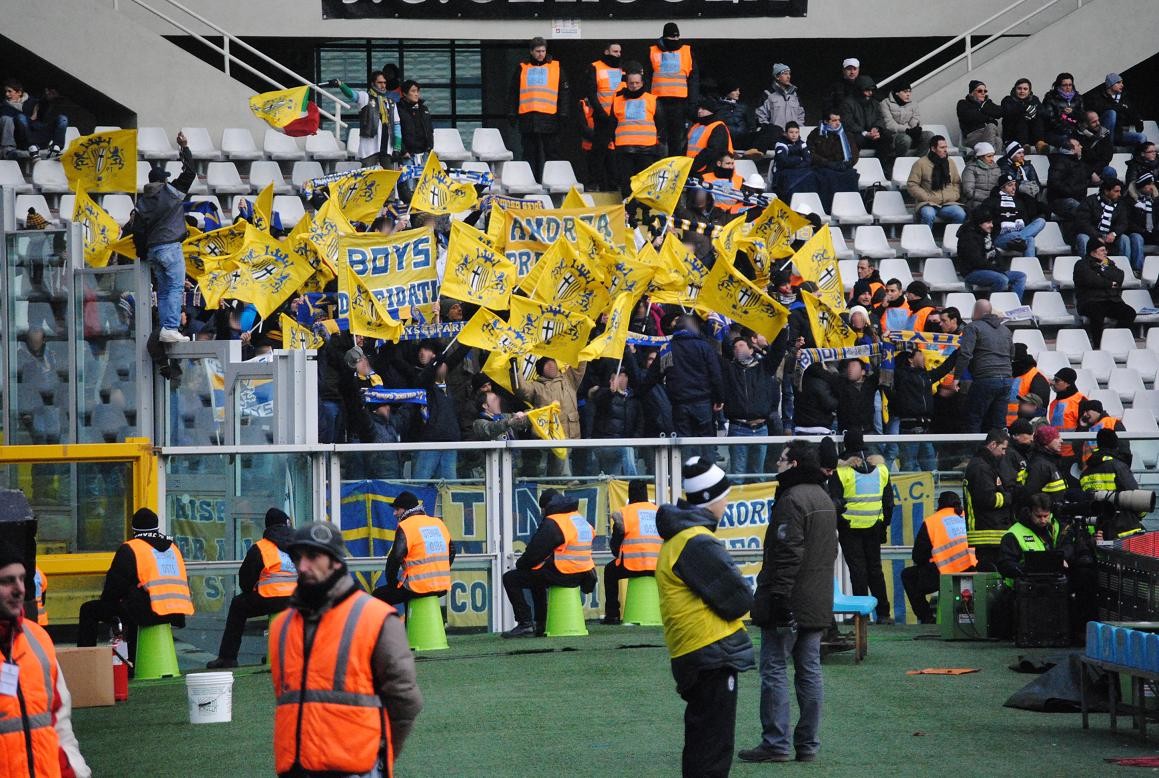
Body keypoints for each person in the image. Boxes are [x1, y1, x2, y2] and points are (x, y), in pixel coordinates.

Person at [270, 521, 422, 778]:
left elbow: (405, 700)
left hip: (355, 768)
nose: (302, 566)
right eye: (297, 558)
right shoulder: (282, 625)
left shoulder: (376, 618)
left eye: (313, 556)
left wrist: (382, 755)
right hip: (294, 768)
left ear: (336, 562)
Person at [656, 456, 754, 777]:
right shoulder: (696, 541)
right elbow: (737, 599)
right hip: (711, 651)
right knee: (713, 746)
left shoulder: (679, 539)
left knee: (701, 741)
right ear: (711, 499)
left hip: (693, 652)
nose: (727, 504)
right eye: (723, 497)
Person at [741, 439, 836, 764]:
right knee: (809, 672)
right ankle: (807, 745)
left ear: (793, 463)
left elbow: (788, 553)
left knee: (774, 669)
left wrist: (779, 598)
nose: (776, 464)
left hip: (790, 601)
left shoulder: (792, 499)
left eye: (781, 459)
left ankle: (776, 743)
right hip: (817, 599)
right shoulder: (823, 498)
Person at [0, 540, 92, 778]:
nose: (19, 589)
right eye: (7, 581)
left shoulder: (38, 639)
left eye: (21, 578)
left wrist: (77, 771)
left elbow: (59, 722)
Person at [77, 508, 193, 665]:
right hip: (176, 612)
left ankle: (85, 662)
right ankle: (136, 660)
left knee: (89, 609)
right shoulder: (173, 548)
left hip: (149, 613)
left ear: (134, 529)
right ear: (156, 527)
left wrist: (108, 602)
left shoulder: (131, 548)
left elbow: (114, 586)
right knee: (135, 602)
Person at [206, 508, 296, 669]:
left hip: (270, 599)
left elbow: (245, 581)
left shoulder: (261, 548)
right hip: (298, 601)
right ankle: (283, 654)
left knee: (238, 605)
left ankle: (228, 658)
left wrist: (253, 590)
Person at [501, 490, 596, 638]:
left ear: (546, 506)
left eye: (542, 508)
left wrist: (519, 565)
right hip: (583, 574)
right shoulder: (579, 519)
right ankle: (541, 622)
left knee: (511, 578)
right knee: (537, 573)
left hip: (564, 573)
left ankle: (525, 623)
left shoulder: (554, 522)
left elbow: (534, 553)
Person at [131, 132, 195, 343]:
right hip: (171, 247)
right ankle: (170, 327)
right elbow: (190, 172)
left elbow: (137, 232)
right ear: (164, 180)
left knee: (165, 290)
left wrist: (143, 254)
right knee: (175, 287)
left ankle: (166, 328)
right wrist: (184, 147)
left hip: (153, 251)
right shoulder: (173, 191)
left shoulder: (141, 203)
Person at [830, 429, 893, 623]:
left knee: (858, 571)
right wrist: (884, 525)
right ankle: (883, 613)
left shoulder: (841, 471)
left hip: (850, 527)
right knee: (875, 569)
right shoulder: (882, 469)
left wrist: (839, 525)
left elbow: (834, 502)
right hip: (875, 525)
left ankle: (862, 616)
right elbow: (889, 502)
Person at [901, 492, 975, 624]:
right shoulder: (968, 518)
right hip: (971, 570)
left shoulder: (932, 521)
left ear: (939, 504)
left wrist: (931, 560)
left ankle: (927, 618)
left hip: (943, 574)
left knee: (908, 575)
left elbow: (918, 555)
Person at [374, 491, 455, 609]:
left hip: (417, 588)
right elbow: (452, 551)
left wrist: (392, 583)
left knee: (377, 596)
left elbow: (395, 558)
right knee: (407, 592)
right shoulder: (438, 523)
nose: (394, 513)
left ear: (406, 509)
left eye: (397, 509)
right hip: (442, 586)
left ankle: (390, 627)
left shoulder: (406, 525)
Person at [509, 37, 570, 179]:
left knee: (552, 153)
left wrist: (564, 113)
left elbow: (564, 92)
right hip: (528, 117)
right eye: (537, 51)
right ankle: (530, 182)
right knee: (529, 154)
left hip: (550, 117)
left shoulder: (556, 67)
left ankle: (553, 180)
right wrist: (512, 112)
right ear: (531, 51)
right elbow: (513, 92)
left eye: (543, 51)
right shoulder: (523, 68)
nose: (541, 54)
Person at [602, 480, 661, 625]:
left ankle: (612, 615)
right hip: (659, 567)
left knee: (610, 571)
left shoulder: (624, 513)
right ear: (646, 493)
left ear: (630, 493)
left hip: (632, 566)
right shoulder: (658, 512)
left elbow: (616, 547)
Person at [516, 357, 586, 476]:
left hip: (571, 432)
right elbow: (521, 389)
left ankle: (562, 482)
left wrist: (584, 351)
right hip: (548, 435)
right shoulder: (536, 386)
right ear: (540, 369)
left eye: (554, 364)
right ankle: (566, 481)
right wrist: (515, 370)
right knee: (558, 459)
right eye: (548, 365)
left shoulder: (569, 379)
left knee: (562, 459)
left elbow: (580, 368)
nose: (552, 366)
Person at [953, 299, 1014, 433]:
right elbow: (1011, 354)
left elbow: (965, 354)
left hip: (985, 377)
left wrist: (956, 377)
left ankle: (974, 452)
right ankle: (999, 451)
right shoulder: (1006, 330)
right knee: (998, 423)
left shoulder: (973, 327)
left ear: (977, 311)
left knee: (973, 419)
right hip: (1006, 379)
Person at [1080, 428, 1146, 540]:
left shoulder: (1085, 473)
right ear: (1116, 445)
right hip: (1124, 529)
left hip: (1098, 530)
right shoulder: (1118, 466)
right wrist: (1140, 515)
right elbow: (1135, 495)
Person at [610, 61, 662, 198]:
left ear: (642, 83)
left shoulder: (652, 100)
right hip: (625, 149)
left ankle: (646, 213)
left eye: (637, 83)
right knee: (627, 183)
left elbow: (661, 124)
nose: (634, 86)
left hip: (647, 149)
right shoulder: (617, 100)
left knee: (646, 183)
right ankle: (630, 213)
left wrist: (659, 144)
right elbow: (612, 124)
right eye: (631, 83)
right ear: (626, 83)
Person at [963, 428, 1013, 568]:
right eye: (1002, 449)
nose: (1004, 453)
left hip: (991, 531)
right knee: (990, 574)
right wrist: (1008, 497)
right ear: (992, 445)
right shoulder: (981, 468)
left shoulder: (985, 464)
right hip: (988, 533)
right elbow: (988, 499)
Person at [333, 72, 403, 168]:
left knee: (388, 178)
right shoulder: (365, 97)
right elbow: (352, 95)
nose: (383, 85)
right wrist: (341, 85)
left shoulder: (390, 103)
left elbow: (396, 126)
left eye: (384, 83)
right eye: (380, 82)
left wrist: (397, 147)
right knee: (368, 180)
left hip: (387, 149)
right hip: (369, 149)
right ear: (373, 84)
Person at [1073, 242, 1136, 348]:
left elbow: (1119, 275)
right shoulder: (1081, 264)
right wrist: (1109, 283)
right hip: (1090, 300)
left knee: (1129, 313)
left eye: (1105, 250)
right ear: (1093, 252)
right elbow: (1091, 280)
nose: (1105, 252)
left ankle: (1116, 340)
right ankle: (1098, 344)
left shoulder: (1108, 263)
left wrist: (1101, 270)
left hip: (1111, 300)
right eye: (1102, 250)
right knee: (1097, 312)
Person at [648, 22, 697, 156]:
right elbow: (646, 77)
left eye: (677, 37)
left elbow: (693, 80)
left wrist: (692, 103)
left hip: (679, 103)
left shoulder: (686, 51)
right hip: (658, 102)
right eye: (672, 37)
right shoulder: (653, 51)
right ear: (665, 37)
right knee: (660, 137)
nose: (675, 40)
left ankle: (673, 168)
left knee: (676, 138)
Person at [996, 493, 1059, 588]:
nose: (1043, 520)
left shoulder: (1052, 527)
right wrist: (1029, 570)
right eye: (1038, 516)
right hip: (1023, 591)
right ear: (1029, 512)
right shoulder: (1014, 534)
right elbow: (1005, 565)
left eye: (1046, 516)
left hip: (1049, 587)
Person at [585, 42, 623, 190]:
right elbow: (591, 92)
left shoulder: (622, 70)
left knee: (616, 154)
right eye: (615, 51)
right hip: (603, 117)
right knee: (599, 152)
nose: (618, 54)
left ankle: (615, 184)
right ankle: (594, 183)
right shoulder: (595, 67)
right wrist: (600, 112)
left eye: (619, 52)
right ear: (606, 52)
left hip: (619, 118)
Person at [841, 74, 897, 173]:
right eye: (866, 90)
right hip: (858, 136)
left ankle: (883, 169)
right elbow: (848, 123)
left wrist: (876, 129)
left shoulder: (875, 103)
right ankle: (853, 169)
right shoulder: (847, 103)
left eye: (871, 90)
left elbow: (880, 118)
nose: (869, 93)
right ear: (859, 90)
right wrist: (865, 133)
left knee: (887, 136)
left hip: (872, 136)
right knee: (852, 138)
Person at [906, 135, 966, 227]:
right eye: (942, 147)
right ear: (933, 149)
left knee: (960, 214)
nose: (945, 150)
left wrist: (954, 195)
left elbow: (956, 182)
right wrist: (927, 197)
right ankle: (925, 239)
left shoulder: (950, 162)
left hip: (948, 203)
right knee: (928, 214)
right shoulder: (920, 163)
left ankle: (952, 239)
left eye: (946, 147)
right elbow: (912, 185)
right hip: (928, 203)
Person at [982, 172, 1045, 257]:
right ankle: (1020, 238)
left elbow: (1025, 221)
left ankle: (1029, 265)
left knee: (1041, 222)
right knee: (1027, 238)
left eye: (1014, 185)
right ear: (1002, 188)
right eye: (1010, 185)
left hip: (1017, 234)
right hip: (1000, 237)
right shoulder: (992, 201)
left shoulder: (1018, 202)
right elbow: (987, 222)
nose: (1014, 188)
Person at [807, 110, 859, 210]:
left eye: (839, 120)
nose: (838, 123)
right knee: (829, 177)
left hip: (842, 166)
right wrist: (828, 163)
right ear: (826, 121)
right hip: (823, 167)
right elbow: (811, 154)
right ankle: (831, 209)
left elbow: (854, 153)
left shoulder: (846, 134)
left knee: (851, 175)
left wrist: (848, 164)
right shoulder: (815, 134)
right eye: (834, 120)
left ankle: (851, 208)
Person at [1074, 177, 1131, 258]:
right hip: (1092, 235)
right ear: (1106, 191)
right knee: (1083, 238)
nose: (1119, 194)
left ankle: (1126, 267)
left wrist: (1114, 234)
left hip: (1110, 237)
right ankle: (1085, 265)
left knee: (1124, 239)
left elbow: (1123, 223)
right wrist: (1097, 236)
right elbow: (1083, 222)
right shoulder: (1089, 201)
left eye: (1120, 191)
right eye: (1116, 191)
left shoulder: (1120, 204)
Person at [1086, 73, 1146, 147]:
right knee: (1111, 113)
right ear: (1110, 85)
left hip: (1118, 133)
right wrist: (1119, 107)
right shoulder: (1099, 96)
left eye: (1122, 82)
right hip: (1102, 134)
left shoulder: (1124, 97)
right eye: (1118, 82)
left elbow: (1133, 112)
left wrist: (1139, 120)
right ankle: (1107, 147)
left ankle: (1138, 158)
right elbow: (1098, 108)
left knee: (1142, 137)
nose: (1122, 85)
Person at [755, 63, 806, 147]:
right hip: (775, 139)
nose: (788, 76)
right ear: (777, 77)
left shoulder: (794, 95)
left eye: (789, 73)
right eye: (785, 74)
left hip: (793, 138)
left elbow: (801, 115)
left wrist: (797, 131)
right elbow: (761, 118)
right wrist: (771, 132)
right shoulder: (768, 94)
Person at [1020, 425, 1069, 510]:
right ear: (1046, 441)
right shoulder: (1040, 465)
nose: (1061, 441)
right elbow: (1030, 496)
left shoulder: (1050, 462)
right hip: (1045, 516)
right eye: (1057, 438)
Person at [1047, 138, 1093, 228]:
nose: (1081, 147)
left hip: (1078, 199)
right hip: (1061, 200)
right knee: (1083, 212)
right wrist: (1072, 191)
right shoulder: (1059, 162)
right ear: (1072, 150)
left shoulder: (1080, 163)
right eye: (1078, 145)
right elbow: (1055, 183)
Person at [880, 81, 931, 157]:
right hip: (894, 134)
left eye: (910, 92)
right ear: (897, 92)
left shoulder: (913, 103)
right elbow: (889, 124)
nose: (908, 94)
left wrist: (915, 129)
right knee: (905, 139)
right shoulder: (885, 103)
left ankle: (918, 160)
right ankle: (897, 160)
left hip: (910, 133)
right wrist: (907, 130)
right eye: (905, 92)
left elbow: (915, 118)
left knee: (929, 135)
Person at [1047, 368, 1087, 462]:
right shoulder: (1054, 403)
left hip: (1072, 454)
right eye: (1054, 379)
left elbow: (1084, 429)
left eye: (1057, 380)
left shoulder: (1080, 401)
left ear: (1068, 383)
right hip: (1055, 452)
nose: (1053, 383)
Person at [686, 97, 734, 176]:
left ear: (711, 112)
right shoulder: (697, 125)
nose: (699, 111)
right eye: (699, 108)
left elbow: (712, 152)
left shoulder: (718, 127)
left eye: (703, 109)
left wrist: (692, 166)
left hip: (707, 172)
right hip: (693, 169)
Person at [1007, 343, 1049, 426]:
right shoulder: (1012, 374)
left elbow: (1038, 408)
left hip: (1024, 428)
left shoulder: (1037, 377)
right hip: (1007, 425)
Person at [1001, 77, 1047, 154]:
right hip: (1013, 135)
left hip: (1031, 135)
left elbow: (1044, 112)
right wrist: (1025, 109)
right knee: (1021, 118)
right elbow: (1008, 112)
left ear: (1029, 91)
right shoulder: (1008, 99)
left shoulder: (1034, 99)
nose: (1022, 91)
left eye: (1025, 89)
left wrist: (1034, 112)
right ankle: (1023, 145)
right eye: (1019, 88)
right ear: (1015, 89)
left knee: (1037, 118)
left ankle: (1040, 144)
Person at [1077, 398, 1125, 466]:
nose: (1084, 414)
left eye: (1087, 411)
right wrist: (1082, 428)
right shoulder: (1086, 427)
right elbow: (1077, 449)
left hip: (1110, 468)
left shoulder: (1113, 422)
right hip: (1089, 470)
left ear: (1096, 410)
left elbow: (1124, 446)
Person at [956, 80, 1002, 150]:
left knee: (998, 141)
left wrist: (983, 112)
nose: (983, 93)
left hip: (988, 134)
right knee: (991, 126)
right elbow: (969, 116)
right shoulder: (963, 103)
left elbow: (999, 113)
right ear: (971, 93)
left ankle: (991, 159)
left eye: (985, 91)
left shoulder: (987, 103)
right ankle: (987, 155)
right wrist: (987, 115)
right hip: (972, 137)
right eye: (980, 91)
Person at [395, 80, 434, 164]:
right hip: (408, 154)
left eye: (417, 91)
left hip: (425, 153)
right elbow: (395, 131)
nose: (416, 94)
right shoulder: (398, 109)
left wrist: (430, 147)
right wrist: (403, 151)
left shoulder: (423, 109)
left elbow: (430, 130)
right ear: (404, 93)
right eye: (413, 91)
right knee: (409, 177)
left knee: (426, 177)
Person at [1042, 72, 1084, 148]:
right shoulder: (1050, 98)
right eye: (1064, 85)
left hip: (1075, 130)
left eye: (1070, 85)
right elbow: (1049, 118)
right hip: (1056, 131)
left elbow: (1082, 116)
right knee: (1067, 142)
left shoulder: (1078, 98)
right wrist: (1062, 114)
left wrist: (1073, 113)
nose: (1068, 87)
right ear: (1059, 85)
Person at [1126, 170, 1158, 270]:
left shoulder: (1156, 200)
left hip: (1153, 233)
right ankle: (1138, 269)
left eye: (1152, 184)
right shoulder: (1129, 201)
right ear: (1141, 185)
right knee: (1137, 238)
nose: (1152, 187)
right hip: (1136, 232)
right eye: (1149, 184)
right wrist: (1143, 231)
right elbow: (1127, 222)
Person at [998, 141, 1044, 207]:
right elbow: (1007, 183)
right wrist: (1021, 186)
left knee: (1045, 208)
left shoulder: (1027, 165)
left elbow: (1035, 181)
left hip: (1030, 196)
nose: (1022, 155)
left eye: (1023, 152)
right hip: (1015, 197)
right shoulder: (1004, 165)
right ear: (1012, 155)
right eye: (1019, 153)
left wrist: (1036, 188)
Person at [961, 141, 1001, 212]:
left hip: (993, 201)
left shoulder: (996, 168)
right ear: (980, 157)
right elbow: (968, 191)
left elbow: (1000, 188)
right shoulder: (970, 168)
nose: (992, 159)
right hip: (975, 202)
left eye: (993, 156)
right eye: (989, 156)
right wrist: (987, 199)